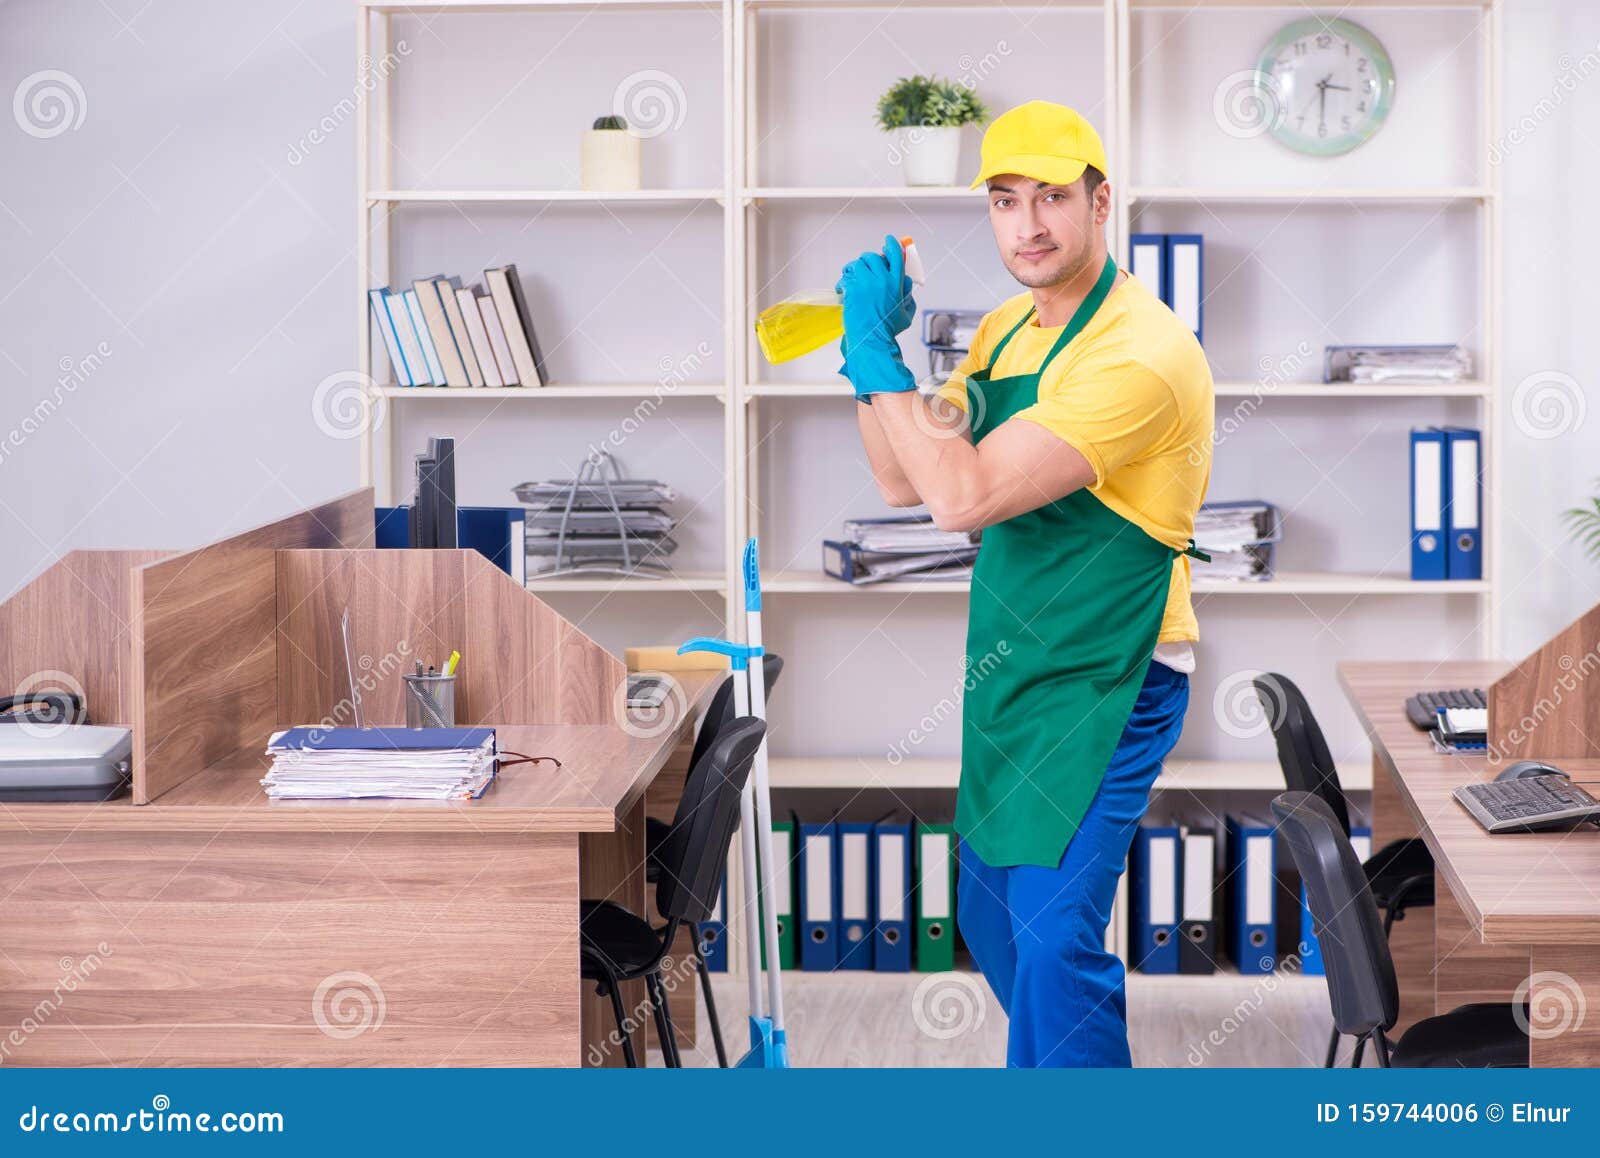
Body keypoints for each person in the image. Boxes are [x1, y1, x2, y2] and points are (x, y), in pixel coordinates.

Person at [838, 100, 1214, 1067]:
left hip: (1110, 672)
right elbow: (903, 477)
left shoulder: (1142, 352)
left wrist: (884, 361)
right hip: (1014, 669)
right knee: (994, 919)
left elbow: (961, 501)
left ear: (1100, 202)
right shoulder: (1005, 331)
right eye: (1006, 201)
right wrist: (867, 359)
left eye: (1053, 198)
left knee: (1054, 939)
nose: (1030, 225)